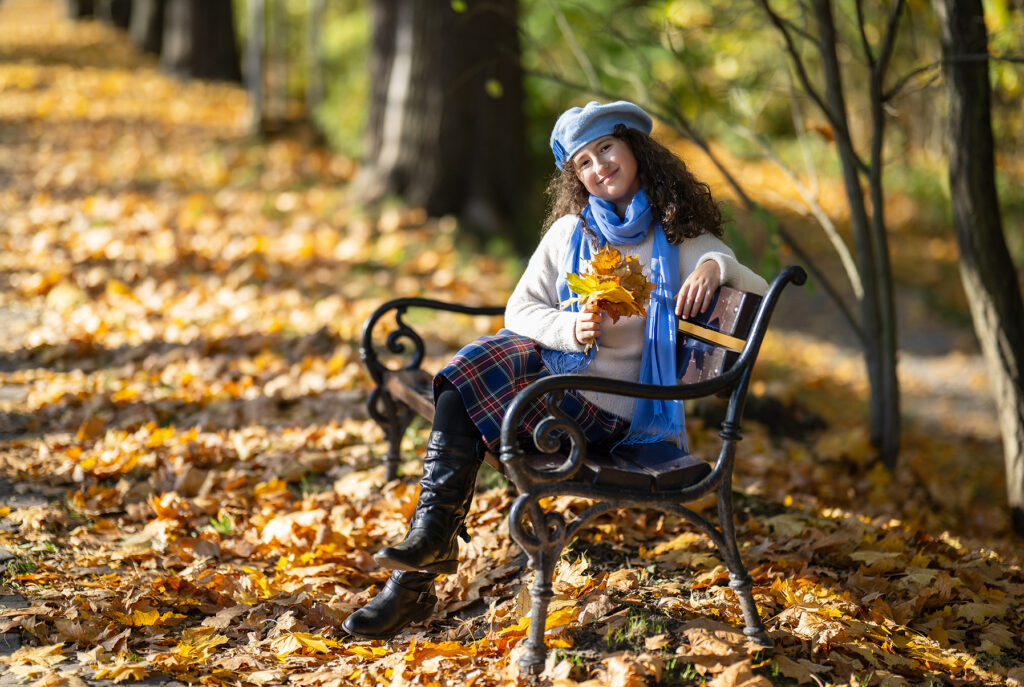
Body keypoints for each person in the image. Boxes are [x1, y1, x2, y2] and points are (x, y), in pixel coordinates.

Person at [341, 100, 768, 639]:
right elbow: (520, 310)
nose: (599, 167)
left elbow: (755, 288)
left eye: (606, 149)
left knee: (474, 382)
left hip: (613, 409)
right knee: (472, 367)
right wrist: (572, 328)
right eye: (584, 162)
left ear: (635, 149)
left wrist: (713, 265)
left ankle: (417, 575)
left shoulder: (674, 238)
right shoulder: (570, 232)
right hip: (557, 386)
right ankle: (427, 544)